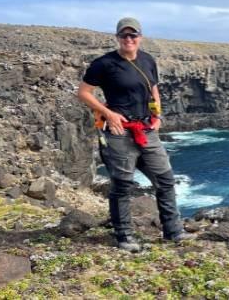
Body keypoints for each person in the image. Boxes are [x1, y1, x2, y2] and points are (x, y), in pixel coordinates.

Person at [77, 17, 194, 251]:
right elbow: (83, 92)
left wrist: (158, 116)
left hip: (146, 130)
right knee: (122, 185)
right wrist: (108, 113)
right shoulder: (104, 64)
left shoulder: (147, 60)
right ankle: (124, 237)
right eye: (124, 36)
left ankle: (173, 232)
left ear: (140, 37)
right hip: (118, 132)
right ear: (117, 38)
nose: (128, 39)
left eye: (133, 35)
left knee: (165, 180)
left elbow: (153, 89)